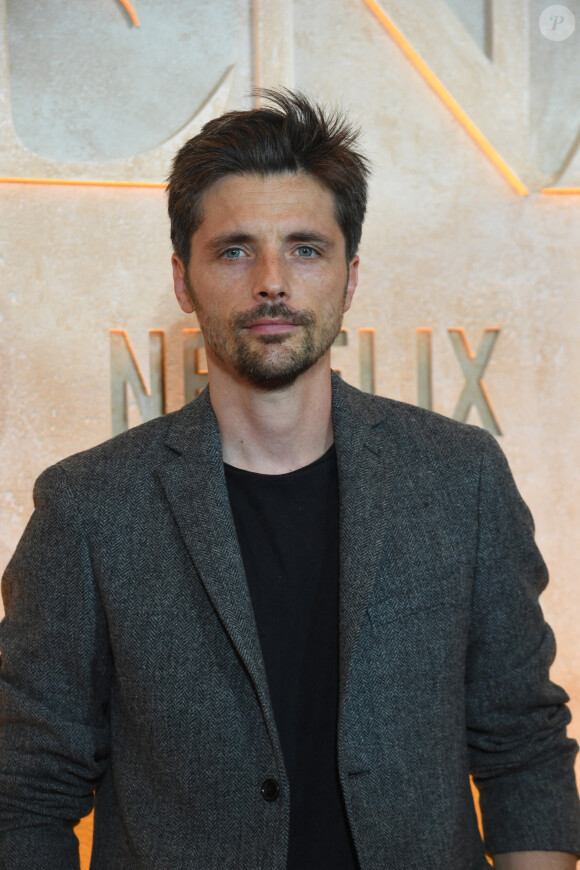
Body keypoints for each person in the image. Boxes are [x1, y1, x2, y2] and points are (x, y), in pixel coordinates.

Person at [0, 90, 579, 870]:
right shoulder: (90, 507)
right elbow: (26, 790)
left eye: (305, 248)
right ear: (183, 279)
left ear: (350, 276)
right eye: (235, 250)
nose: (271, 281)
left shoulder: (459, 478)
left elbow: (522, 748)